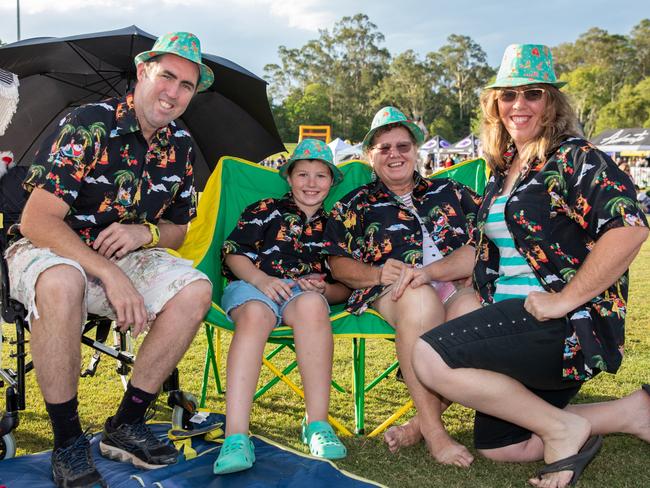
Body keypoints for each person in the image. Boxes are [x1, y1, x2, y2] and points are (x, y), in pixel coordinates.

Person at [412, 44, 650, 488]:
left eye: (533, 93)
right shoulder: (504, 168)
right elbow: (482, 250)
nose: (518, 104)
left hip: (562, 324)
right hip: (517, 325)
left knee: (428, 355)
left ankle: (563, 429)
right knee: (502, 446)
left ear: (552, 103)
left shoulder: (574, 158)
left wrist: (566, 299)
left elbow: (630, 228)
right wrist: (425, 273)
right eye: (508, 95)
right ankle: (630, 412)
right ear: (495, 105)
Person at [5, 32, 215, 488]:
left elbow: (178, 230)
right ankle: (67, 442)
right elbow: (36, 220)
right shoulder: (88, 124)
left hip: (125, 255)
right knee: (62, 282)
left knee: (196, 288)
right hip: (49, 246)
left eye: (186, 86)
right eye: (167, 77)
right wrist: (110, 274)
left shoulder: (180, 146)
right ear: (143, 73)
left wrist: (146, 231)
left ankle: (126, 423)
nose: (174, 93)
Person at [323, 106, 482, 466]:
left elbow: (483, 244)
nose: (395, 154)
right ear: (370, 156)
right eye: (384, 148)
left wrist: (438, 270)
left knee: (474, 316)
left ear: (417, 150)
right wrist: (378, 274)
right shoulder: (355, 205)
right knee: (421, 299)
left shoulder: (452, 192)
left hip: (455, 284)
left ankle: (418, 426)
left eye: (403, 146)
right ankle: (436, 434)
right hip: (394, 291)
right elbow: (336, 263)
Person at [214, 139, 350, 475]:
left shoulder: (335, 226)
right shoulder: (266, 210)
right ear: (288, 177)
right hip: (252, 285)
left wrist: (324, 289)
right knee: (256, 315)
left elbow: (343, 286)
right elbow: (234, 252)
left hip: (299, 295)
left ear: (331, 182)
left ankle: (316, 424)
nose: (311, 183)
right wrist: (261, 281)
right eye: (302, 174)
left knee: (314, 306)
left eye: (320, 176)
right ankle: (236, 434)